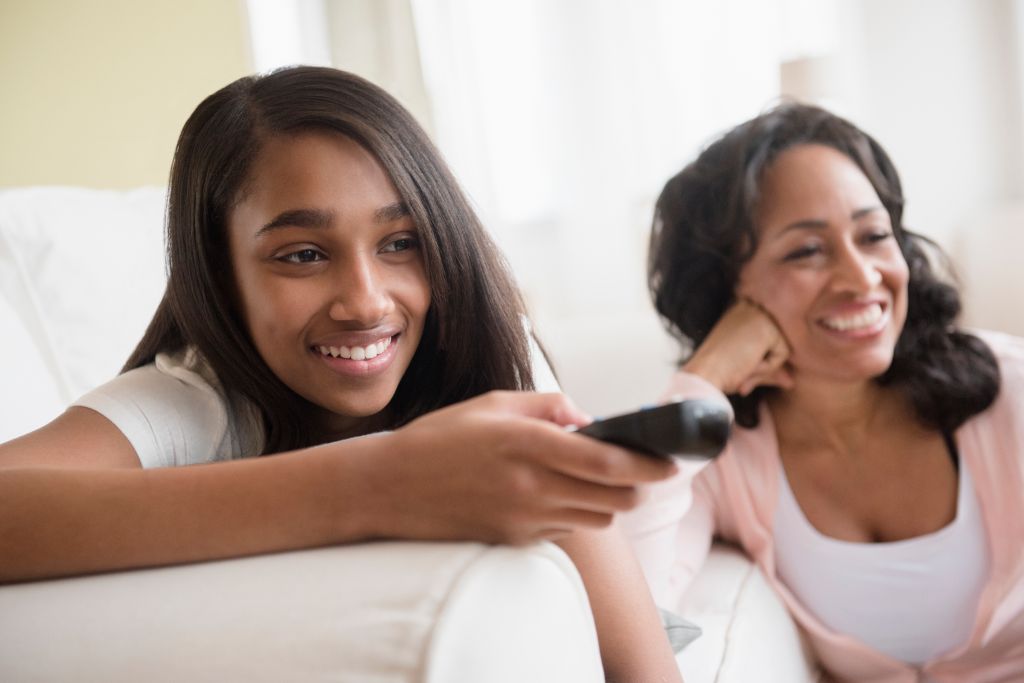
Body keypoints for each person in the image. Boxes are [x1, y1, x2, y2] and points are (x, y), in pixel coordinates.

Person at [0, 66, 682, 681]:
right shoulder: (193, 399)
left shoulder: (479, 359)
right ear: (220, 273)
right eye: (301, 254)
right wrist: (381, 483)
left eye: (400, 243)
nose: (365, 302)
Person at [624, 101, 1024, 680]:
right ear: (726, 291)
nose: (862, 277)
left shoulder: (1011, 394)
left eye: (874, 235)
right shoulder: (724, 460)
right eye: (807, 250)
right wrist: (704, 376)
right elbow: (629, 614)